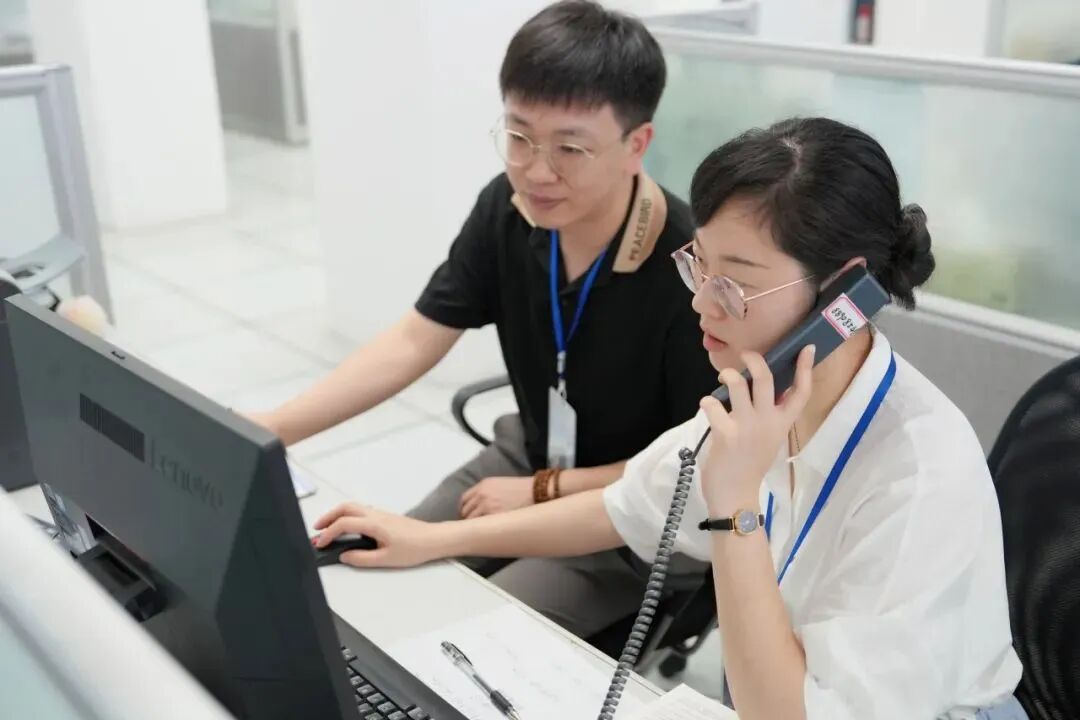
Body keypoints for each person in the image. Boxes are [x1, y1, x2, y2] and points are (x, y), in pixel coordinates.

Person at [310, 117, 1026, 720]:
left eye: (735, 285)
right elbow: (622, 507)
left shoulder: (919, 478)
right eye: (699, 267)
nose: (701, 305)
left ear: (846, 296)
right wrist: (435, 538)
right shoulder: (762, 398)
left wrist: (734, 503)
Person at [248, 1, 716, 636]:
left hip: (628, 516)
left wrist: (547, 490)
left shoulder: (691, 270)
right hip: (526, 458)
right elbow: (414, 340)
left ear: (637, 144)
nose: (536, 171)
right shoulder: (508, 209)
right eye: (519, 137)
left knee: (461, 633)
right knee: (364, 573)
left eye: (570, 148)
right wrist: (270, 430)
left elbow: (690, 469)